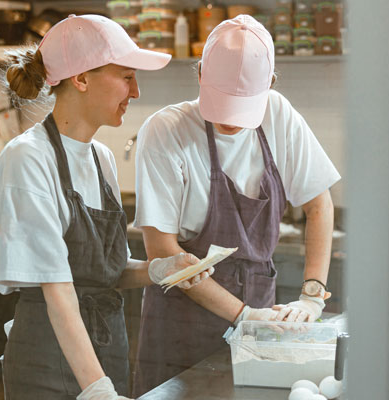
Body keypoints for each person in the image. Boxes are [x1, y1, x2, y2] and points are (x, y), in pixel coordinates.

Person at [0, 14, 213, 399]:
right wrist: (97, 389)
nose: (136, 91)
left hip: (104, 355)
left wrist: (157, 270)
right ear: (82, 79)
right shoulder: (28, 159)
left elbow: (105, 272)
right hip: (47, 362)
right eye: (126, 76)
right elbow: (58, 291)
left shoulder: (101, 158)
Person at [132, 14, 341, 395]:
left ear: (270, 86)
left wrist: (312, 295)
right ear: (199, 75)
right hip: (182, 328)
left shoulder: (278, 115)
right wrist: (244, 315)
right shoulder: (167, 130)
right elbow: (161, 250)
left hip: (260, 329)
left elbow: (319, 204)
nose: (229, 121)